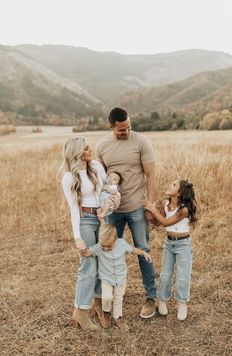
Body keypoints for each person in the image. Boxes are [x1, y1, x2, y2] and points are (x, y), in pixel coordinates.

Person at [96, 107, 157, 319]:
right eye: (122, 129)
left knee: (143, 250)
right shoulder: (102, 146)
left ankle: (151, 297)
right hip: (113, 211)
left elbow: (150, 175)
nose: (126, 132)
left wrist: (150, 205)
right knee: (108, 252)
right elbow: (101, 181)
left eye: (129, 127)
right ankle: (107, 298)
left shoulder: (141, 142)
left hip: (137, 208)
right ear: (111, 127)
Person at [60, 136, 108, 330]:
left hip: (102, 218)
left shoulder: (96, 166)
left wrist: (109, 209)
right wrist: (77, 237)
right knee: (88, 264)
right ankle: (81, 312)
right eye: (86, 148)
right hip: (85, 220)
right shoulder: (69, 177)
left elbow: (107, 191)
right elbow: (73, 208)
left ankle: (97, 304)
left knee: (102, 261)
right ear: (78, 151)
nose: (90, 149)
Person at [80, 222, 152, 330]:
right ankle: (106, 313)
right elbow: (89, 252)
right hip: (106, 278)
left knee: (119, 298)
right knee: (107, 297)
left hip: (120, 278)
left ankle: (118, 317)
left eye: (108, 246)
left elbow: (132, 250)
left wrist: (144, 253)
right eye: (103, 246)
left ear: (115, 239)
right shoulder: (100, 247)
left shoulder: (121, 243)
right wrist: (83, 251)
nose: (106, 248)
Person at [144, 179, 197, 321]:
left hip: (183, 245)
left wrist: (153, 210)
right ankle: (162, 300)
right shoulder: (166, 204)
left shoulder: (184, 209)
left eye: (174, 185)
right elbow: (159, 221)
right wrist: (150, 213)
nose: (169, 185)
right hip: (169, 244)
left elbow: (167, 222)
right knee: (165, 274)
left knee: (182, 275)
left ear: (180, 193)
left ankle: (182, 303)